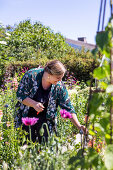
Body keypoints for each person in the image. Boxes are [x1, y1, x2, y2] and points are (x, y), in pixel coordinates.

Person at [15, 60, 85, 143]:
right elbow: (20, 95)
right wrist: (33, 104)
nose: (60, 81)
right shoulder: (31, 76)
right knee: (26, 148)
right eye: (58, 78)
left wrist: (79, 126)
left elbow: (68, 107)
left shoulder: (59, 86)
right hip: (27, 120)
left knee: (46, 151)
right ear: (49, 74)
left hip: (46, 123)